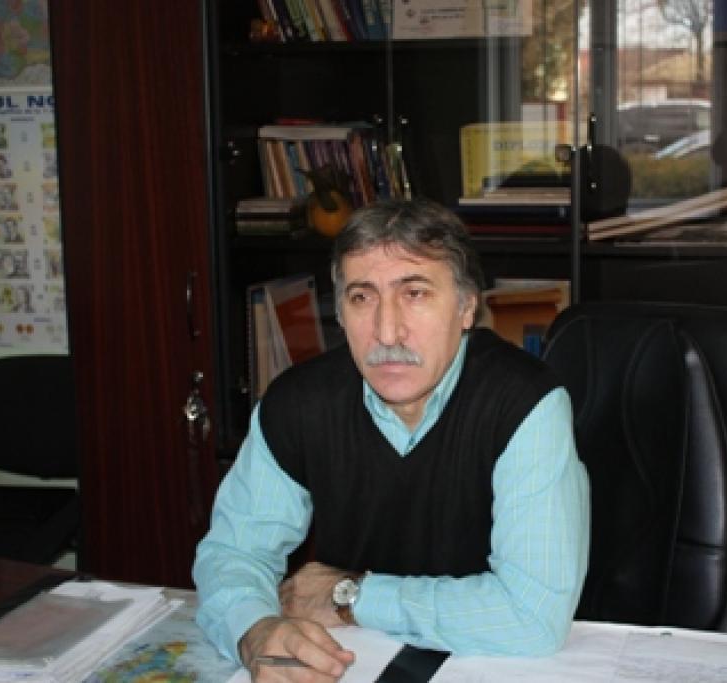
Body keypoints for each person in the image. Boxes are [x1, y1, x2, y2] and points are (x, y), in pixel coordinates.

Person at [193, 198, 589, 682]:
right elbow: (234, 553)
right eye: (362, 297)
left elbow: (533, 616)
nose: (386, 332)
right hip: (357, 663)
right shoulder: (298, 402)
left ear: (466, 307)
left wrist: (350, 595)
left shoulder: (525, 403)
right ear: (340, 313)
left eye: (415, 293)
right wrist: (254, 630)